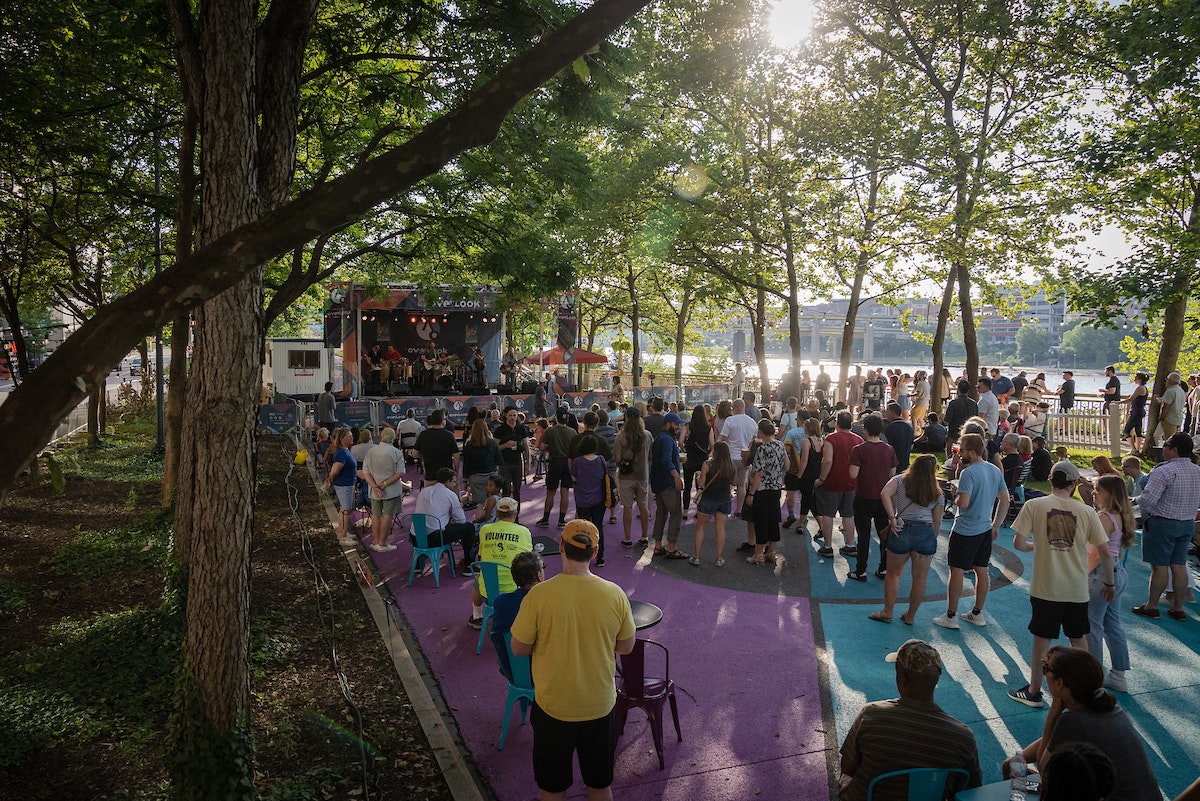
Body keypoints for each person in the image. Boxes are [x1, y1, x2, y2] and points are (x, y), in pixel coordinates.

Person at [510, 520, 636, 801]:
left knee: (553, 788)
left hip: (553, 706)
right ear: (595, 552)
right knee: (600, 784)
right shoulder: (614, 594)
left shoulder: (538, 596)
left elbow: (518, 647)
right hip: (600, 705)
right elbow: (627, 647)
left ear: (562, 547)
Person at [1009, 461, 1116, 708]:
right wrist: (1109, 583)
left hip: (1046, 587)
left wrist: (1038, 546)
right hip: (1077, 589)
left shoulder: (1034, 505)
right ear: (1074, 483)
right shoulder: (1088, 512)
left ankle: (1034, 691)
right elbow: (1105, 553)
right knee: (1078, 640)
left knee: (1042, 640)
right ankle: (1087, 690)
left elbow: (1018, 544)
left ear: (1050, 478)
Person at [1004, 646, 1159, 801]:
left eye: (1046, 672)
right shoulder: (1111, 709)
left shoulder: (1072, 721)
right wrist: (1017, 759)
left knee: (1032, 784)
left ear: (1059, 683)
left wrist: (1054, 713)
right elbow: (1057, 739)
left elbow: (1045, 772)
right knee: (1012, 767)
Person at [838, 639, 982, 801]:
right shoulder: (963, 737)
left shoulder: (871, 715)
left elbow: (847, 767)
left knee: (845, 779)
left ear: (902, 678)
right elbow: (970, 789)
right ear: (936, 680)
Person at [934, 434, 1010, 630]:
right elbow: (1005, 499)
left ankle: (951, 615)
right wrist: (995, 524)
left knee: (956, 570)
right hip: (984, 528)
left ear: (972, 452)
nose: (960, 453)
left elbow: (964, 503)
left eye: (963, 450)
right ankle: (977, 612)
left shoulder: (969, 473)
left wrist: (955, 494)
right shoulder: (994, 470)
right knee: (981, 569)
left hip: (965, 528)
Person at [1132, 432, 1200, 621]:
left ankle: (1152, 605)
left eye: (1166, 446)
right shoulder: (1197, 470)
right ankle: (1178, 607)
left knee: (1159, 567)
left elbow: (1147, 499)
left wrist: (1133, 501)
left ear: (1174, 450)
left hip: (1163, 523)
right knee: (1178, 565)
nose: (1163, 450)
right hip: (1186, 523)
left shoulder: (1164, 471)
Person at [870, 455, 946, 624]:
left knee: (892, 573)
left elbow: (884, 493)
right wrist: (932, 537)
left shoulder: (900, 480)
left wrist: (892, 517)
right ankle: (910, 616)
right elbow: (938, 520)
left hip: (902, 529)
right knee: (920, 578)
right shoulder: (937, 491)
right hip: (925, 531)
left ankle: (887, 611)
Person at [1085, 475, 1136, 692]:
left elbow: (1099, 553)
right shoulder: (1121, 515)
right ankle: (1118, 674)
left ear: (1109, 493)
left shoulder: (1104, 517)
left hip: (1102, 575)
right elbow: (1117, 551)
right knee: (1112, 624)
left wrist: (1089, 575)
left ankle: (1092, 677)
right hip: (1118, 571)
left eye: (1097, 489)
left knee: (1092, 625)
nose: (1093, 492)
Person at [470, 497, 533, 630]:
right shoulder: (524, 532)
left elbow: (481, 555)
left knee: (479, 579)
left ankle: (477, 617)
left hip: (488, 593)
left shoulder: (485, 530)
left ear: (497, 514)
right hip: (514, 591)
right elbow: (528, 560)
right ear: (515, 514)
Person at [848, 414, 898, 581]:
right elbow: (893, 474)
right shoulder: (889, 449)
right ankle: (883, 568)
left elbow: (853, 474)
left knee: (863, 535)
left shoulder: (859, 450)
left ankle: (860, 570)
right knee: (884, 534)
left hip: (863, 496)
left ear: (866, 429)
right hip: (883, 498)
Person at [815, 411, 863, 559]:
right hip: (851, 482)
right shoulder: (859, 440)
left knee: (828, 514)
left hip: (832, 481)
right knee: (849, 515)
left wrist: (822, 478)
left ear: (837, 423)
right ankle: (850, 544)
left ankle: (828, 546)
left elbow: (827, 460)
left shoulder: (831, 438)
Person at [490, 551, 544, 680]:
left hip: (511, 668)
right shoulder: (546, 603)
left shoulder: (500, 601)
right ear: (539, 576)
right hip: (542, 673)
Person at [413, 467, 479, 571]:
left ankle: (418, 563)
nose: (455, 485)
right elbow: (461, 520)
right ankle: (469, 565)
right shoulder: (449, 494)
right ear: (448, 481)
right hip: (434, 538)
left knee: (432, 525)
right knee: (469, 528)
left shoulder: (424, 491)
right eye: (454, 482)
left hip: (415, 537)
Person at [361, 427, 411, 552]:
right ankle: (382, 543)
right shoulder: (396, 452)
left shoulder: (371, 451)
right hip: (391, 490)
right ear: (393, 438)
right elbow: (400, 473)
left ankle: (376, 541)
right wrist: (384, 484)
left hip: (374, 490)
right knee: (388, 515)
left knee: (376, 515)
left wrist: (374, 487)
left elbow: (365, 473)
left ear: (381, 437)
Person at [745, 418, 787, 566]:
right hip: (776, 487)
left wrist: (751, 493)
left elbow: (758, 473)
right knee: (773, 520)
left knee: (761, 521)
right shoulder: (780, 445)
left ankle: (758, 554)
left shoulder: (762, 449)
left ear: (761, 432)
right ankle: (771, 552)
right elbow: (786, 465)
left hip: (762, 489)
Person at [719, 398, 759, 548]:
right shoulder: (751, 422)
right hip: (745, 457)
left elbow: (723, 439)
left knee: (727, 483)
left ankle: (725, 508)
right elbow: (754, 440)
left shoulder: (730, 420)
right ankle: (739, 510)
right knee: (741, 485)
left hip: (731, 456)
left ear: (735, 407)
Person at [650, 412, 688, 559]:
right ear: (668, 423)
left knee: (661, 512)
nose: (678, 427)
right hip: (667, 482)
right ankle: (672, 547)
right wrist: (676, 477)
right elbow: (666, 461)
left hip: (658, 481)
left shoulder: (660, 437)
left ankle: (658, 545)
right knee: (675, 512)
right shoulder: (667, 439)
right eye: (676, 424)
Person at [691, 440, 735, 567]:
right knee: (720, 529)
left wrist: (699, 476)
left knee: (701, 528)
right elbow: (734, 482)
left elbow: (701, 484)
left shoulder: (707, 464)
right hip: (724, 499)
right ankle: (719, 558)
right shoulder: (730, 465)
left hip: (708, 499)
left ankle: (697, 557)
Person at [614, 407, 652, 549]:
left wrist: (622, 464)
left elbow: (617, 458)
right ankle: (644, 536)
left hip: (626, 476)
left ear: (627, 418)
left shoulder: (620, 436)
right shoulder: (647, 435)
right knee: (643, 505)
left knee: (627, 507)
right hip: (643, 475)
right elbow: (650, 455)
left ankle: (628, 538)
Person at [570, 435, 609, 567]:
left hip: (582, 499)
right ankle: (600, 555)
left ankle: (584, 555)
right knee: (598, 526)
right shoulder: (601, 460)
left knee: (584, 529)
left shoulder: (577, 461)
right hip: (599, 498)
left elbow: (574, 478)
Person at [536, 408, 578, 529]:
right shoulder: (572, 432)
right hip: (567, 463)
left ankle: (545, 518)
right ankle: (561, 520)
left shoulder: (550, 430)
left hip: (555, 462)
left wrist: (551, 447)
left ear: (556, 418)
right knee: (565, 492)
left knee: (550, 492)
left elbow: (542, 447)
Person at [324, 427, 360, 545]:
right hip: (344, 484)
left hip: (348, 483)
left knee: (345, 509)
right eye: (349, 437)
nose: (351, 438)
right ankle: (343, 537)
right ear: (342, 439)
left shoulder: (344, 450)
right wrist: (331, 478)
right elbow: (335, 469)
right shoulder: (341, 453)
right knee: (345, 509)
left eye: (351, 436)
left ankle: (343, 532)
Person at [494, 406, 529, 507]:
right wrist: (505, 445)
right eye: (510, 415)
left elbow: (526, 446)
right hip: (505, 463)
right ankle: (505, 512)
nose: (513, 418)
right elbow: (495, 448)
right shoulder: (500, 430)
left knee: (517, 490)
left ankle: (516, 515)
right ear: (505, 415)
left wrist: (527, 464)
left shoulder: (521, 428)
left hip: (518, 462)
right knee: (506, 489)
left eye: (514, 415)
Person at [462, 418, 502, 507]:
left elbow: (466, 464)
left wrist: (465, 480)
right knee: (493, 504)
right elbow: (499, 460)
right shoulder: (492, 443)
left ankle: (480, 520)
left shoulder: (469, 445)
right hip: (491, 476)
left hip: (475, 478)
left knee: (480, 505)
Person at [415, 409, 459, 486]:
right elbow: (456, 457)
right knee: (451, 497)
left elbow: (415, 454)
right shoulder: (449, 435)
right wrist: (456, 472)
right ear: (442, 421)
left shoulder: (423, 435)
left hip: (430, 476)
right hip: (447, 477)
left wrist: (424, 455)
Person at [682, 404, 712, 516]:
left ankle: (685, 511)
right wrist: (707, 452)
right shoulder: (708, 428)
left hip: (690, 459)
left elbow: (680, 441)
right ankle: (699, 509)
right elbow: (712, 444)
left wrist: (684, 448)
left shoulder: (688, 426)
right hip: (702, 460)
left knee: (687, 486)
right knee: (701, 486)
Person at [943, 380, 978, 453]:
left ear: (958, 389)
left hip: (954, 433)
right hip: (969, 432)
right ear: (968, 390)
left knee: (951, 452)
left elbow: (947, 420)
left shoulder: (953, 403)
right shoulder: (973, 403)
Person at [882, 402, 913, 472]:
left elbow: (887, 446)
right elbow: (911, 445)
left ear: (893, 413)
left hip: (893, 463)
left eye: (887, 411)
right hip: (905, 463)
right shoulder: (909, 427)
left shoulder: (890, 427)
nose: (886, 413)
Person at [1122, 372, 1149, 453]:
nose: (1134, 380)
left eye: (1136, 378)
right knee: (1138, 431)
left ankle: (1134, 449)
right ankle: (1137, 450)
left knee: (1126, 431)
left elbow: (1131, 399)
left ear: (1140, 379)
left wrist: (1118, 403)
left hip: (1136, 412)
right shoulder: (1144, 388)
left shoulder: (1140, 388)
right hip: (1140, 411)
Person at [1157, 371, 1187, 440]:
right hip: (1178, 418)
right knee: (1157, 435)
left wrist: (1162, 417)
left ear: (1170, 380)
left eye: (1167, 380)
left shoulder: (1170, 391)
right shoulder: (1181, 391)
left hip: (1169, 419)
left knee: (1170, 439)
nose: (1166, 381)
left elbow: (1166, 406)